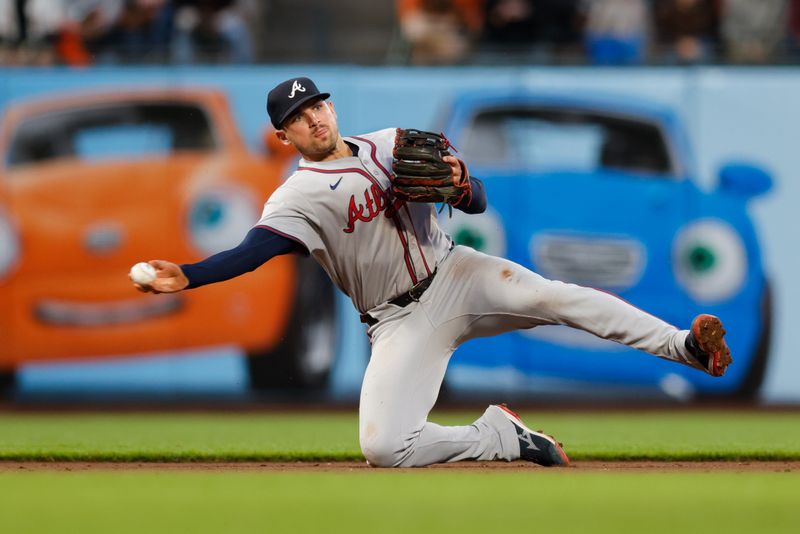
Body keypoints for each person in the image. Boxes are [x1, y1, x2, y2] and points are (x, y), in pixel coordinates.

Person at [131, 77, 732, 468]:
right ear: (281, 134)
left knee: (561, 298)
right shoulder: (295, 199)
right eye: (299, 114)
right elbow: (253, 250)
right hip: (399, 320)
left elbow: (477, 202)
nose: (315, 117)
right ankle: (498, 437)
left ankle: (686, 348)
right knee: (384, 448)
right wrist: (189, 274)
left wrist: (465, 185)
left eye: (318, 103)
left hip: (459, 273)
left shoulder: (391, 144)